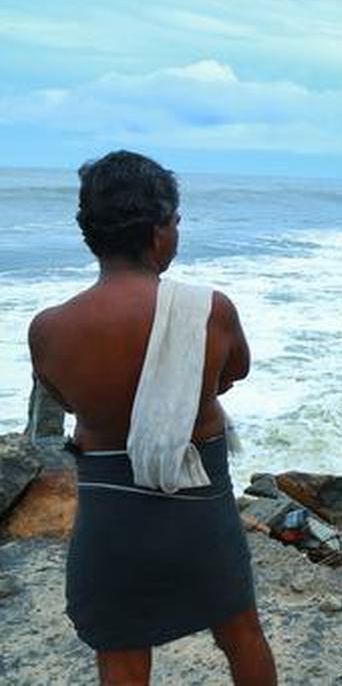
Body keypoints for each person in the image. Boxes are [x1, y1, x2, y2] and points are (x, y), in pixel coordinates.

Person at [27, 151, 276, 686]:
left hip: (111, 516)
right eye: (176, 221)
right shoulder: (208, 309)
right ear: (160, 230)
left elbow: (65, 400)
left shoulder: (49, 329)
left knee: (120, 652)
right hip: (200, 508)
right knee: (241, 633)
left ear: (90, 234)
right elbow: (234, 372)